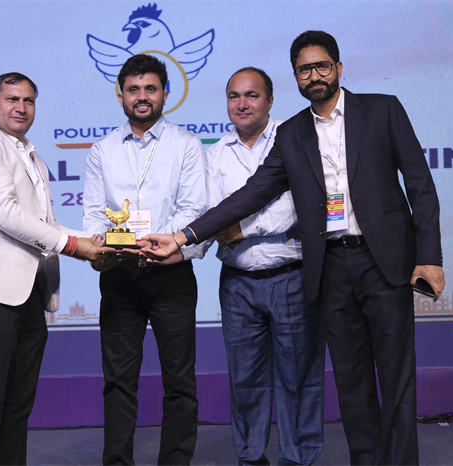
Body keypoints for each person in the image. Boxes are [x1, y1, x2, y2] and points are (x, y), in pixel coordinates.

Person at [142, 31, 445, 466]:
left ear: (338, 68)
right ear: (296, 77)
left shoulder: (383, 109)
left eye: (322, 66)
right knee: (351, 379)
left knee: (397, 377)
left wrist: (429, 257)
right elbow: (250, 195)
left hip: (384, 263)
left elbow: (421, 187)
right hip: (330, 267)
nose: (314, 75)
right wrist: (183, 235)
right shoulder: (292, 133)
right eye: (305, 69)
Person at [0, 72, 109, 466]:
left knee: (18, 403)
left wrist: (99, 241)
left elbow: (46, 225)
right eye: (12, 99)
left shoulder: (33, 157)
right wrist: (75, 246)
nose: (21, 107)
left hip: (29, 293)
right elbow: (5, 214)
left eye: (29, 100)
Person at [82, 54, 207, 466]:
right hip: (120, 275)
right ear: (120, 95)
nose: (141, 96)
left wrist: (161, 243)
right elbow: (94, 215)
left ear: (165, 94)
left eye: (150, 88)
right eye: (133, 89)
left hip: (171, 274)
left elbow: (194, 210)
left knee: (180, 383)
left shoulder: (187, 145)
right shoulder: (102, 150)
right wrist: (102, 243)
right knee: (118, 381)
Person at [201, 67, 325, 466]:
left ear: (270, 100)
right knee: (245, 382)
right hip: (237, 283)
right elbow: (212, 215)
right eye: (234, 96)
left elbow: (295, 208)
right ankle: (250, 458)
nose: (242, 104)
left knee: (299, 379)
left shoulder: (296, 140)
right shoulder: (213, 154)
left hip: (292, 276)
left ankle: (298, 460)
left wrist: (242, 227)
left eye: (251, 95)